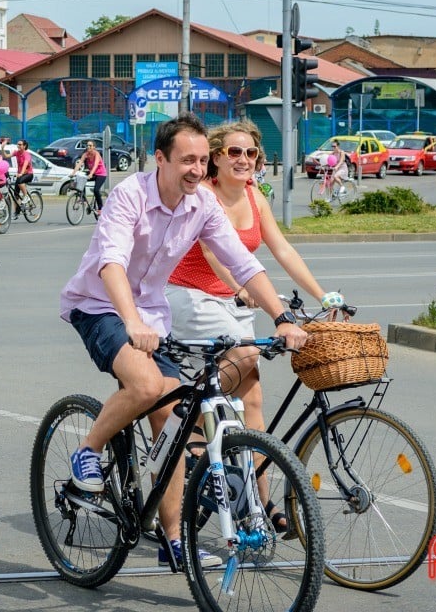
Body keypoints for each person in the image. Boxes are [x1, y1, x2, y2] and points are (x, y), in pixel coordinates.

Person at [59, 113, 308, 568]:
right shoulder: (129, 195)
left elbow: (243, 263)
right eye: (186, 160)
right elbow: (110, 263)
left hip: (153, 315)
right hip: (100, 307)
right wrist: (132, 322)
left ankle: (174, 539)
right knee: (149, 387)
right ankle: (87, 451)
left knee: (170, 422)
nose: (196, 169)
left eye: (200, 160)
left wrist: (283, 317)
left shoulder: (202, 205)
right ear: (160, 159)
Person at [165, 120, 345, 528]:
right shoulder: (204, 196)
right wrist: (240, 290)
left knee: (255, 400)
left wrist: (323, 295)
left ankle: (260, 506)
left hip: (231, 302)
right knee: (245, 357)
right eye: (234, 152)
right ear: (216, 157)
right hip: (190, 295)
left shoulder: (254, 195)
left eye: (251, 153)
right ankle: (182, 418)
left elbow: (281, 248)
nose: (244, 160)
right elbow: (215, 253)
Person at [71, 140, 107, 212]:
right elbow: (79, 163)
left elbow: (96, 165)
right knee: (81, 180)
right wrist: (73, 173)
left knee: (96, 190)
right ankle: (83, 199)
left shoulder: (97, 154)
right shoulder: (85, 154)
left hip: (101, 174)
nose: (88, 147)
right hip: (93, 174)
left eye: (90, 146)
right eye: (87, 145)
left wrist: (91, 174)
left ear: (94, 147)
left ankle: (100, 208)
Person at [5, 139, 33, 218]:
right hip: (20, 175)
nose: (18, 146)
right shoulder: (16, 153)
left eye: (20, 144)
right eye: (18, 144)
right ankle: (16, 212)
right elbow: (6, 156)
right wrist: (3, 147)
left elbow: (25, 165)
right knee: (15, 195)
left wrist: (21, 173)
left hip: (28, 174)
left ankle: (26, 196)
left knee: (20, 182)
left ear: (24, 146)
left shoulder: (27, 154)